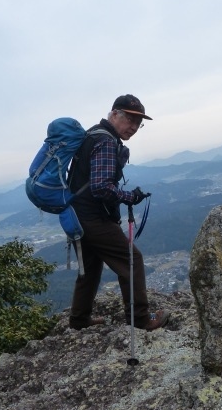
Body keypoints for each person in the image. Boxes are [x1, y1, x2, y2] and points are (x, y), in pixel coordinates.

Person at [67, 94, 170, 331]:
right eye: (130, 119)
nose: (134, 127)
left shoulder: (92, 134)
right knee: (132, 260)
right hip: (93, 218)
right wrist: (129, 197)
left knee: (90, 269)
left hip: (76, 216)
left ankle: (79, 320)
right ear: (114, 114)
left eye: (138, 123)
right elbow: (101, 187)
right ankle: (141, 319)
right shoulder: (105, 141)